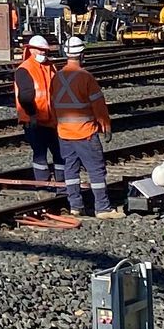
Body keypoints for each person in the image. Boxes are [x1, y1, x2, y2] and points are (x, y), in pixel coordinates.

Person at [51, 37, 114, 217]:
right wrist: (105, 126)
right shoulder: (86, 77)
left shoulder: (57, 77)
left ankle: (75, 207)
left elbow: (52, 104)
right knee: (96, 170)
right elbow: (99, 106)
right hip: (85, 133)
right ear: (82, 55)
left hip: (64, 133)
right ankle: (102, 208)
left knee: (70, 170)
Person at [10, 32, 59, 186]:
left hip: (51, 121)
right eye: (39, 50)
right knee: (40, 155)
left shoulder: (50, 67)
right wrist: (32, 115)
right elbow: (25, 97)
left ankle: (62, 186)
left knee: (58, 155)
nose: (43, 53)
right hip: (34, 121)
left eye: (45, 50)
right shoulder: (25, 69)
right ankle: (44, 185)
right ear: (31, 50)